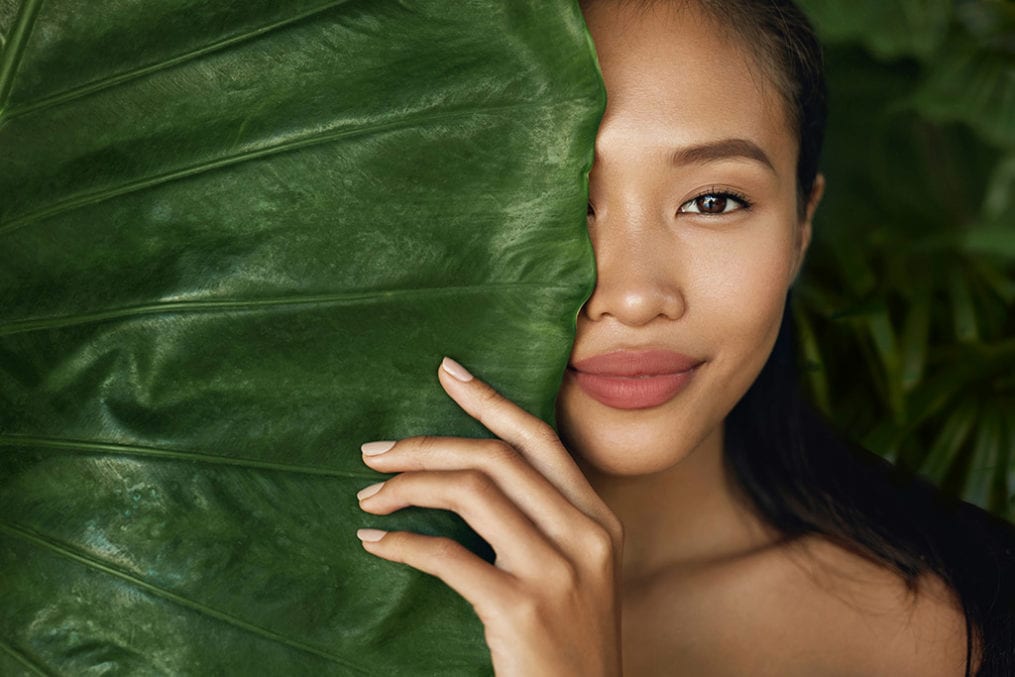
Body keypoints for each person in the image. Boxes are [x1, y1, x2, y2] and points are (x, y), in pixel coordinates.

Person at [353, 0, 1015, 674]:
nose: (635, 296)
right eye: (556, 201)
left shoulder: (980, 614)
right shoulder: (287, 606)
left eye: (713, 200)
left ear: (799, 226)